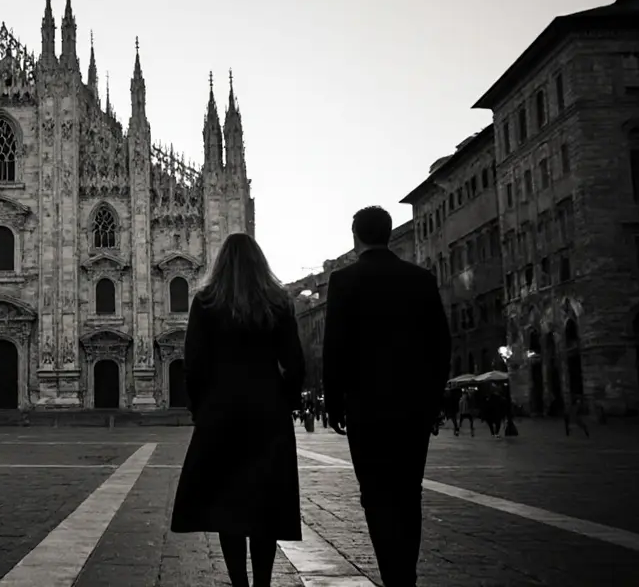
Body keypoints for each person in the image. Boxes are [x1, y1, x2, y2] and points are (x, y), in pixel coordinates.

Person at [322, 206, 451, 587]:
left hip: (365, 409)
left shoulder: (343, 281)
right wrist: (433, 400)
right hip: (414, 409)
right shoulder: (421, 280)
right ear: (390, 233)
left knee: (375, 494)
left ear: (355, 236)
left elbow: (334, 348)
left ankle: (391, 574)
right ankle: (405, 576)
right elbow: (441, 346)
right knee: (410, 493)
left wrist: (333, 404)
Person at [170, 232, 306, 587]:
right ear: (260, 262)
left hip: (220, 412)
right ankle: (262, 583)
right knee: (265, 503)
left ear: (220, 263)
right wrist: (287, 402)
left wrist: (201, 409)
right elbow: (294, 363)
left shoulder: (206, 301)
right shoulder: (278, 301)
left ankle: (240, 585)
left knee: (226, 503)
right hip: (268, 413)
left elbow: (194, 363)